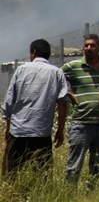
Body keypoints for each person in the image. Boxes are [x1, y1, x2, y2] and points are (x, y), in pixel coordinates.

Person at [3, 39, 69, 176]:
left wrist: (8, 127)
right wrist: (60, 130)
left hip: (18, 131)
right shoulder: (57, 73)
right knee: (42, 174)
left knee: (11, 173)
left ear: (33, 52)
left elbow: (9, 101)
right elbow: (63, 103)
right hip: (42, 132)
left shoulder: (21, 70)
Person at [62, 33, 99, 184]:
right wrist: (68, 93)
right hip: (82, 124)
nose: (89, 48)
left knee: (98, 167)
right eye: (86, 45)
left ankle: (92, 194)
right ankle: (69, 193)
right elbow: (56, 77)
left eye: (93, 45)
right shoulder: (73, 66)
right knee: (74, 165)